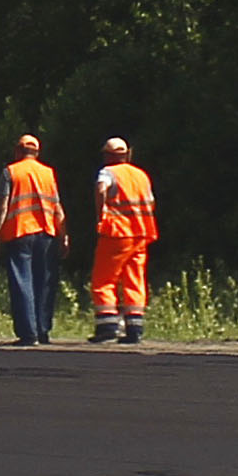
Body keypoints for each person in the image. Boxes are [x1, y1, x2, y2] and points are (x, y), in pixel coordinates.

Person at [0, 134, 66, 345]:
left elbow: (2, 206)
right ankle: (43, 330)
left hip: (19, 232)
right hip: (46, 232)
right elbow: (57, 207)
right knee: (44, 282)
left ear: (18, 151)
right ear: (37, 152)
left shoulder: (10, 171)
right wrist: (64, 236)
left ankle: (28, 334)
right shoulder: (48, 173)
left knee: (22, 283)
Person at [91, 138, 160, 344]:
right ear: (127, 154)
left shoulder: (108, 172)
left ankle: (107, 326)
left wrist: (100, 214)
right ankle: (134, 327)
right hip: (141, 233)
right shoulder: (141, 175)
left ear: (109, 156)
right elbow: (151, 201)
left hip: (117, 233)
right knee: (134, 278)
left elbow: (101, 189)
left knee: (104, 279)